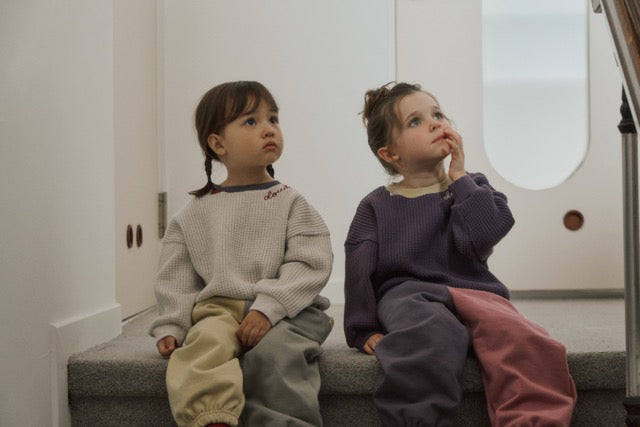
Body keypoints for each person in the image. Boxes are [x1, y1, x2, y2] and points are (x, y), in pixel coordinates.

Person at [344, 82, 577, 426]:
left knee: (524, 339)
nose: (435, 123)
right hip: (408, 293)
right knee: (429, 335)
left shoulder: (471, 186)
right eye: (416, 121)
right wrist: (362, 327)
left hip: (475, 290)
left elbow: (484, 236)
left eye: (438, 114)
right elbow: (358, 266)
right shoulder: (377, 204)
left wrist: (460, 178)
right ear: (390, 154)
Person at [150, 81, 334, 427]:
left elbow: (310, 263)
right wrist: (172, 323)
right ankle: (213, 419)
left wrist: (269, 308)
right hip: (220, 308)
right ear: (218, 144)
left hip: (288, 310)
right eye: (251, 121)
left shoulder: (291, 202)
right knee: (203, 346)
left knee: (276, 355)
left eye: (273, 119)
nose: (269, 129)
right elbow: (176, 278)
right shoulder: (194, 213)